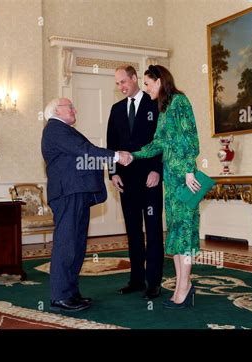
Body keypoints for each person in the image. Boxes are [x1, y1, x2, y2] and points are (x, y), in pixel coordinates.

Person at [41, 98, 131, 312]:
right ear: (56, 111)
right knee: (66, 244)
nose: (75, 109)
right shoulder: (54, 129)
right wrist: (117, 156)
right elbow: (85, 150)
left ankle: (71, 293)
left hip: (76, 192)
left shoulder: (64, 130)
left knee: (77, 245)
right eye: (69, 107)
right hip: (68, 193)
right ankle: (60, 296)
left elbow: (85, 153)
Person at [128, 65, 201, 308]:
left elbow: (191, 138)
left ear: (159, 81)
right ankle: (183, 286)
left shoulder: (180, 101)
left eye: (147, 84)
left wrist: (190, 170)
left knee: (185, 233)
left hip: (186, 179)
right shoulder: (164, 107)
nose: (145, 88)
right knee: (177, 233)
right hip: (171, 178)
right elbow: (157, 143)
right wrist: (131, 155)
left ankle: (184, 287)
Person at [106, 65, 164, 299]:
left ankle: (154, 282)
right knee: (133, 231)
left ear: (134, 78)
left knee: (152, 230)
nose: (120, 87)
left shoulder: (155, 104)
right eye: (117, 84)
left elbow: (162, 141)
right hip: (126, 181)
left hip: (150, 179)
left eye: (123, 82)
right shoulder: (116, 109)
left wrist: (157, 170)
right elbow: (111, 145)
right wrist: (113, 173)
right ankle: (136, 279)